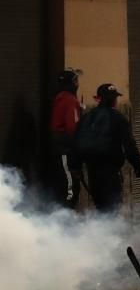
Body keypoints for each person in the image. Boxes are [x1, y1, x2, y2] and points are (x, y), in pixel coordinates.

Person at [73, 83, 140, 213]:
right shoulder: (118, 118)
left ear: (99, 98)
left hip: (92, 171)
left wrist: (76, 167)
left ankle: (102, 231)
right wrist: (138, 165)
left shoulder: (87, 117)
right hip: (110, 172)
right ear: (114, 100)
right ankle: (109, 232)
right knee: (112, 208)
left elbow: (76, 142)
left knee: (101, 207)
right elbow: (129, 145)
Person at [50, 70, 82, 208]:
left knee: (64, 181)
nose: (78, 84)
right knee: (70, 186)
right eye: (76, 80)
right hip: (66, 148)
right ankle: (67, 217)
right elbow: (72, 127)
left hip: (60, 146)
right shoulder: (70, 100)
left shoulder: (59, 97)